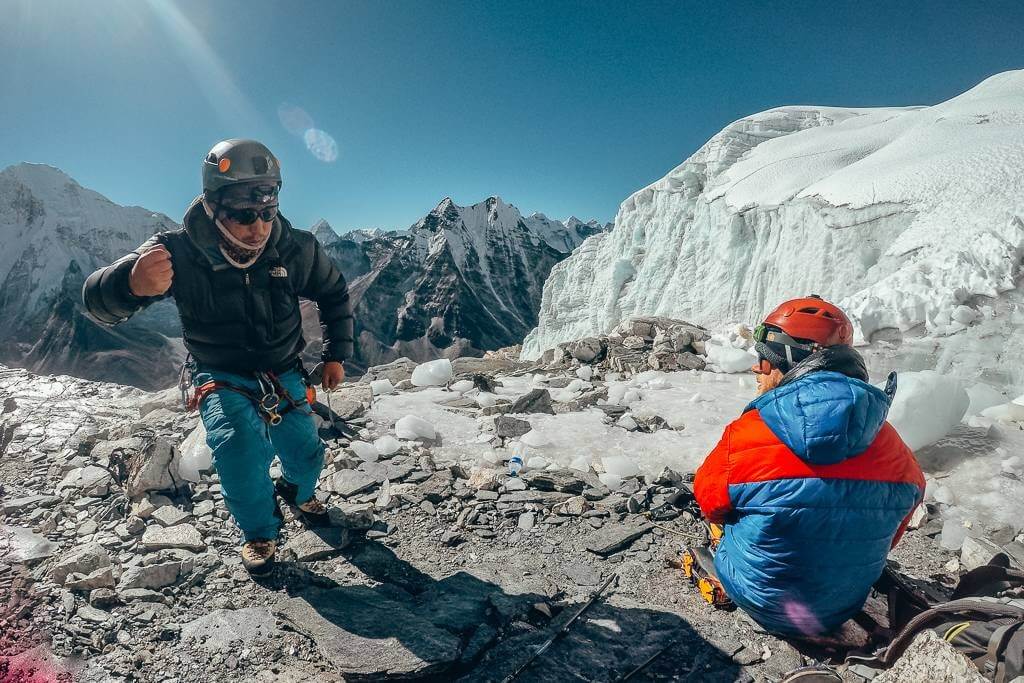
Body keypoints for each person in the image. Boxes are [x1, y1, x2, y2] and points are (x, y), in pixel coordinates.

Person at [83, 139, 353, 575]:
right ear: (212, 206)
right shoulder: (178, 252)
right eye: (244, 215)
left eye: (267, 213)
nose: (258, 227)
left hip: (284, 369)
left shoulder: (295, 247)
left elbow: (333, 293)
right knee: (240, 453)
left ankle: (296, 491)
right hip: (220, 373)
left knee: (307, 453)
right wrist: (130, 283)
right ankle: (260, 533)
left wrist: (337, 354)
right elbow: (97, 302)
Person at [693, 295, 925, 636]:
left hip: (764, 602)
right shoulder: (892, 444)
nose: (757, 368)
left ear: (790, 362)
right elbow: (892, 533)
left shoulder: (749, 434)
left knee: (728, 523)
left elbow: (710, 504)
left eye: (765, 360)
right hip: (843, 604)